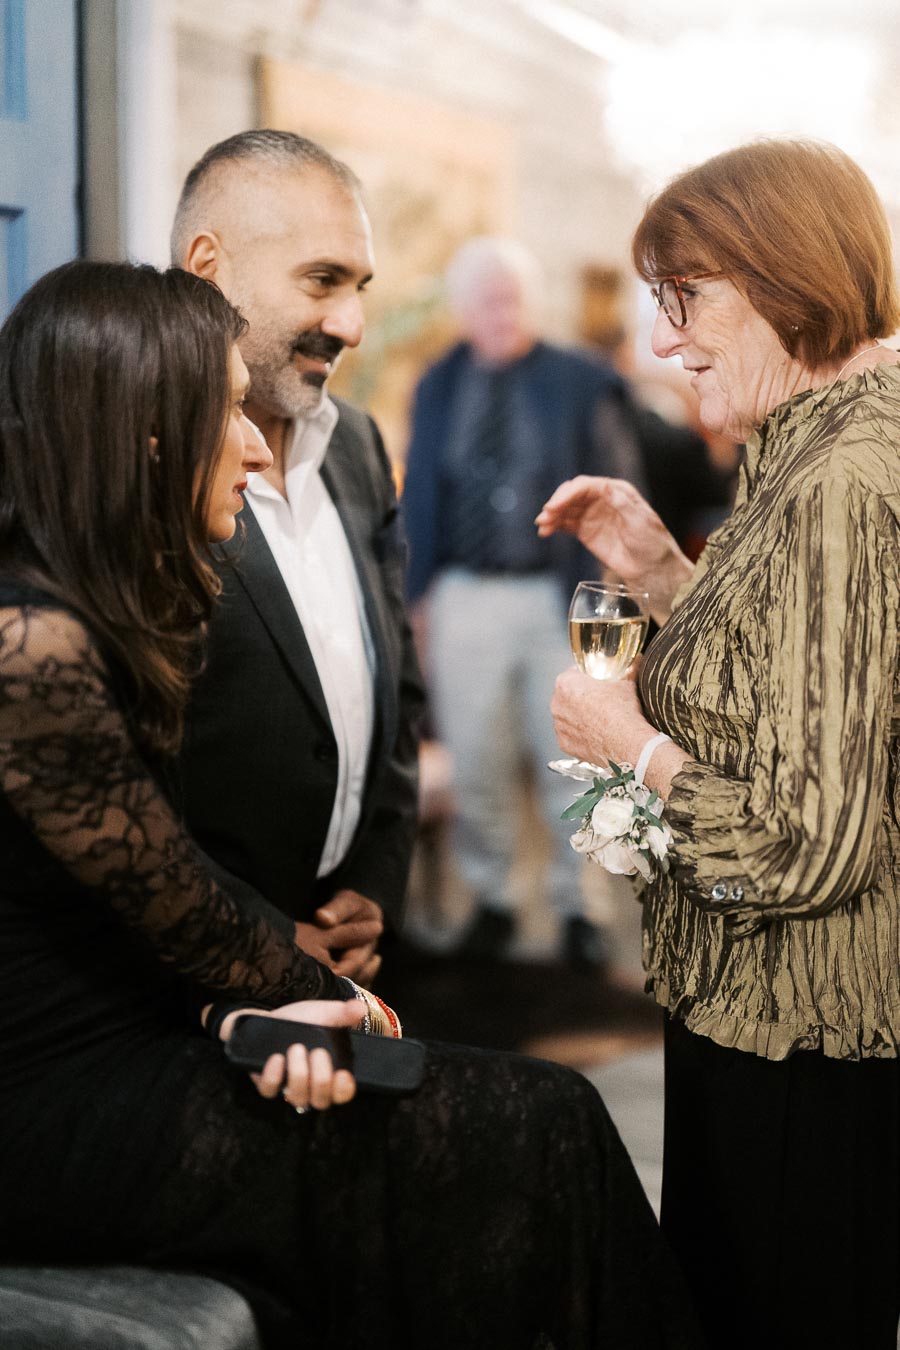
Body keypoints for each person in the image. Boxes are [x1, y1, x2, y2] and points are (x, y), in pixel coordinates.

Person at [0, 259, 704, 1350]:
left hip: (154, 1038)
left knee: (540, 1120)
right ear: (145, 435)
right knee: (530, 1123)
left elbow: (150, 919)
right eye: (227, 410)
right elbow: (178, 907)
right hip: (49, 1104)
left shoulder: (96, 606)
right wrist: (346, 1008)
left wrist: (244, 1013)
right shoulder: (28, 646)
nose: (253, 446)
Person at [538, 138, 900, 1350]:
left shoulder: (843, 478)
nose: (660, 342)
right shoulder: (816, 444)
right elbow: (804, 692)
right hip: (776, 1017)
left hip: (799, 1037)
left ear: (784, 278)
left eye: (684, 298)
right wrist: (660, 571)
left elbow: (805, 849)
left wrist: (629, 741)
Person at [170, 130, 424, 987]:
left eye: (359, 288)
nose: (351, 323)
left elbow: (399, 689)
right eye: (322, 280)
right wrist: (257, 939)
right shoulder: (137, 459)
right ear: (209, 267)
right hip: (182, 979)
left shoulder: (357, 444)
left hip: (346, 957)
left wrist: (376, 885)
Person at [402, 236, 645, 968]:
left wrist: (613, 599)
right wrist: (418, 599)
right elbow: (420, 494)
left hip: (557, 597)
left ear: (533, 303)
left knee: (573, 759)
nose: (501, 313)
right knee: (475, 757)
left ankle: (581, 908)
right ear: (462, 309)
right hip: (464, 593)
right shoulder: (438, 382)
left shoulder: (582, 380)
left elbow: (619, 489)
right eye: (487, 301)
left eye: (512, 299)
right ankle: (493, 899)